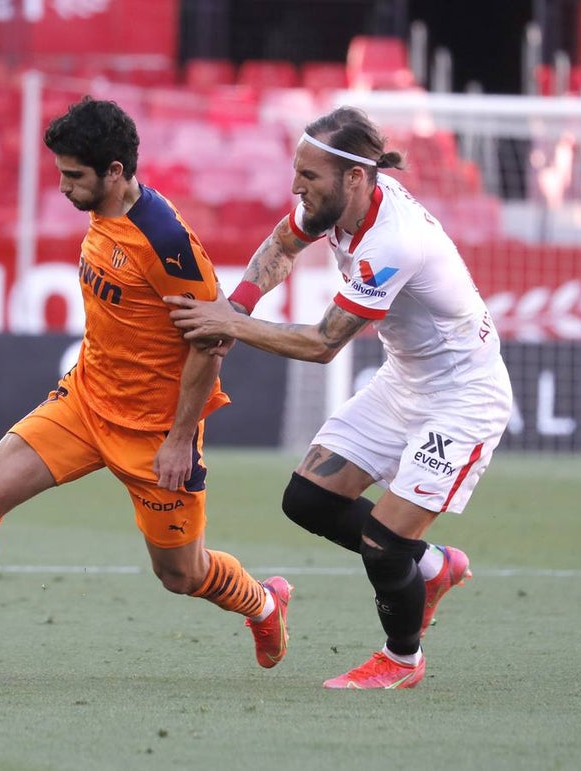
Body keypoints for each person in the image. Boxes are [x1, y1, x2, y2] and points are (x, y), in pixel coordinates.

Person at [0, 96, 292, 682]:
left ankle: (263, 602)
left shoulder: (167, 244)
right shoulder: (101, 210)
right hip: (86, 401)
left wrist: (177, 438)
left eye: (74, 176)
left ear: (115, 172)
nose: (64, 188)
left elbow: (211, 342)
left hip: (154, 433)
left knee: (181, 575)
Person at [166, 106, 512, 690]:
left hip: (462, 398)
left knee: (383, 545)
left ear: (355, 177)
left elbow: (325, 342)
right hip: (404, 380)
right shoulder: (333, 203)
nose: (296, 186)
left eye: (309, 175)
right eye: (296, 171)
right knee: (307, 500)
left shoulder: (393, 241)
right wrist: (239, 305)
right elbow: (281, 243)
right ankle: (430, 567)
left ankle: (402, 661)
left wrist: (230, 326)